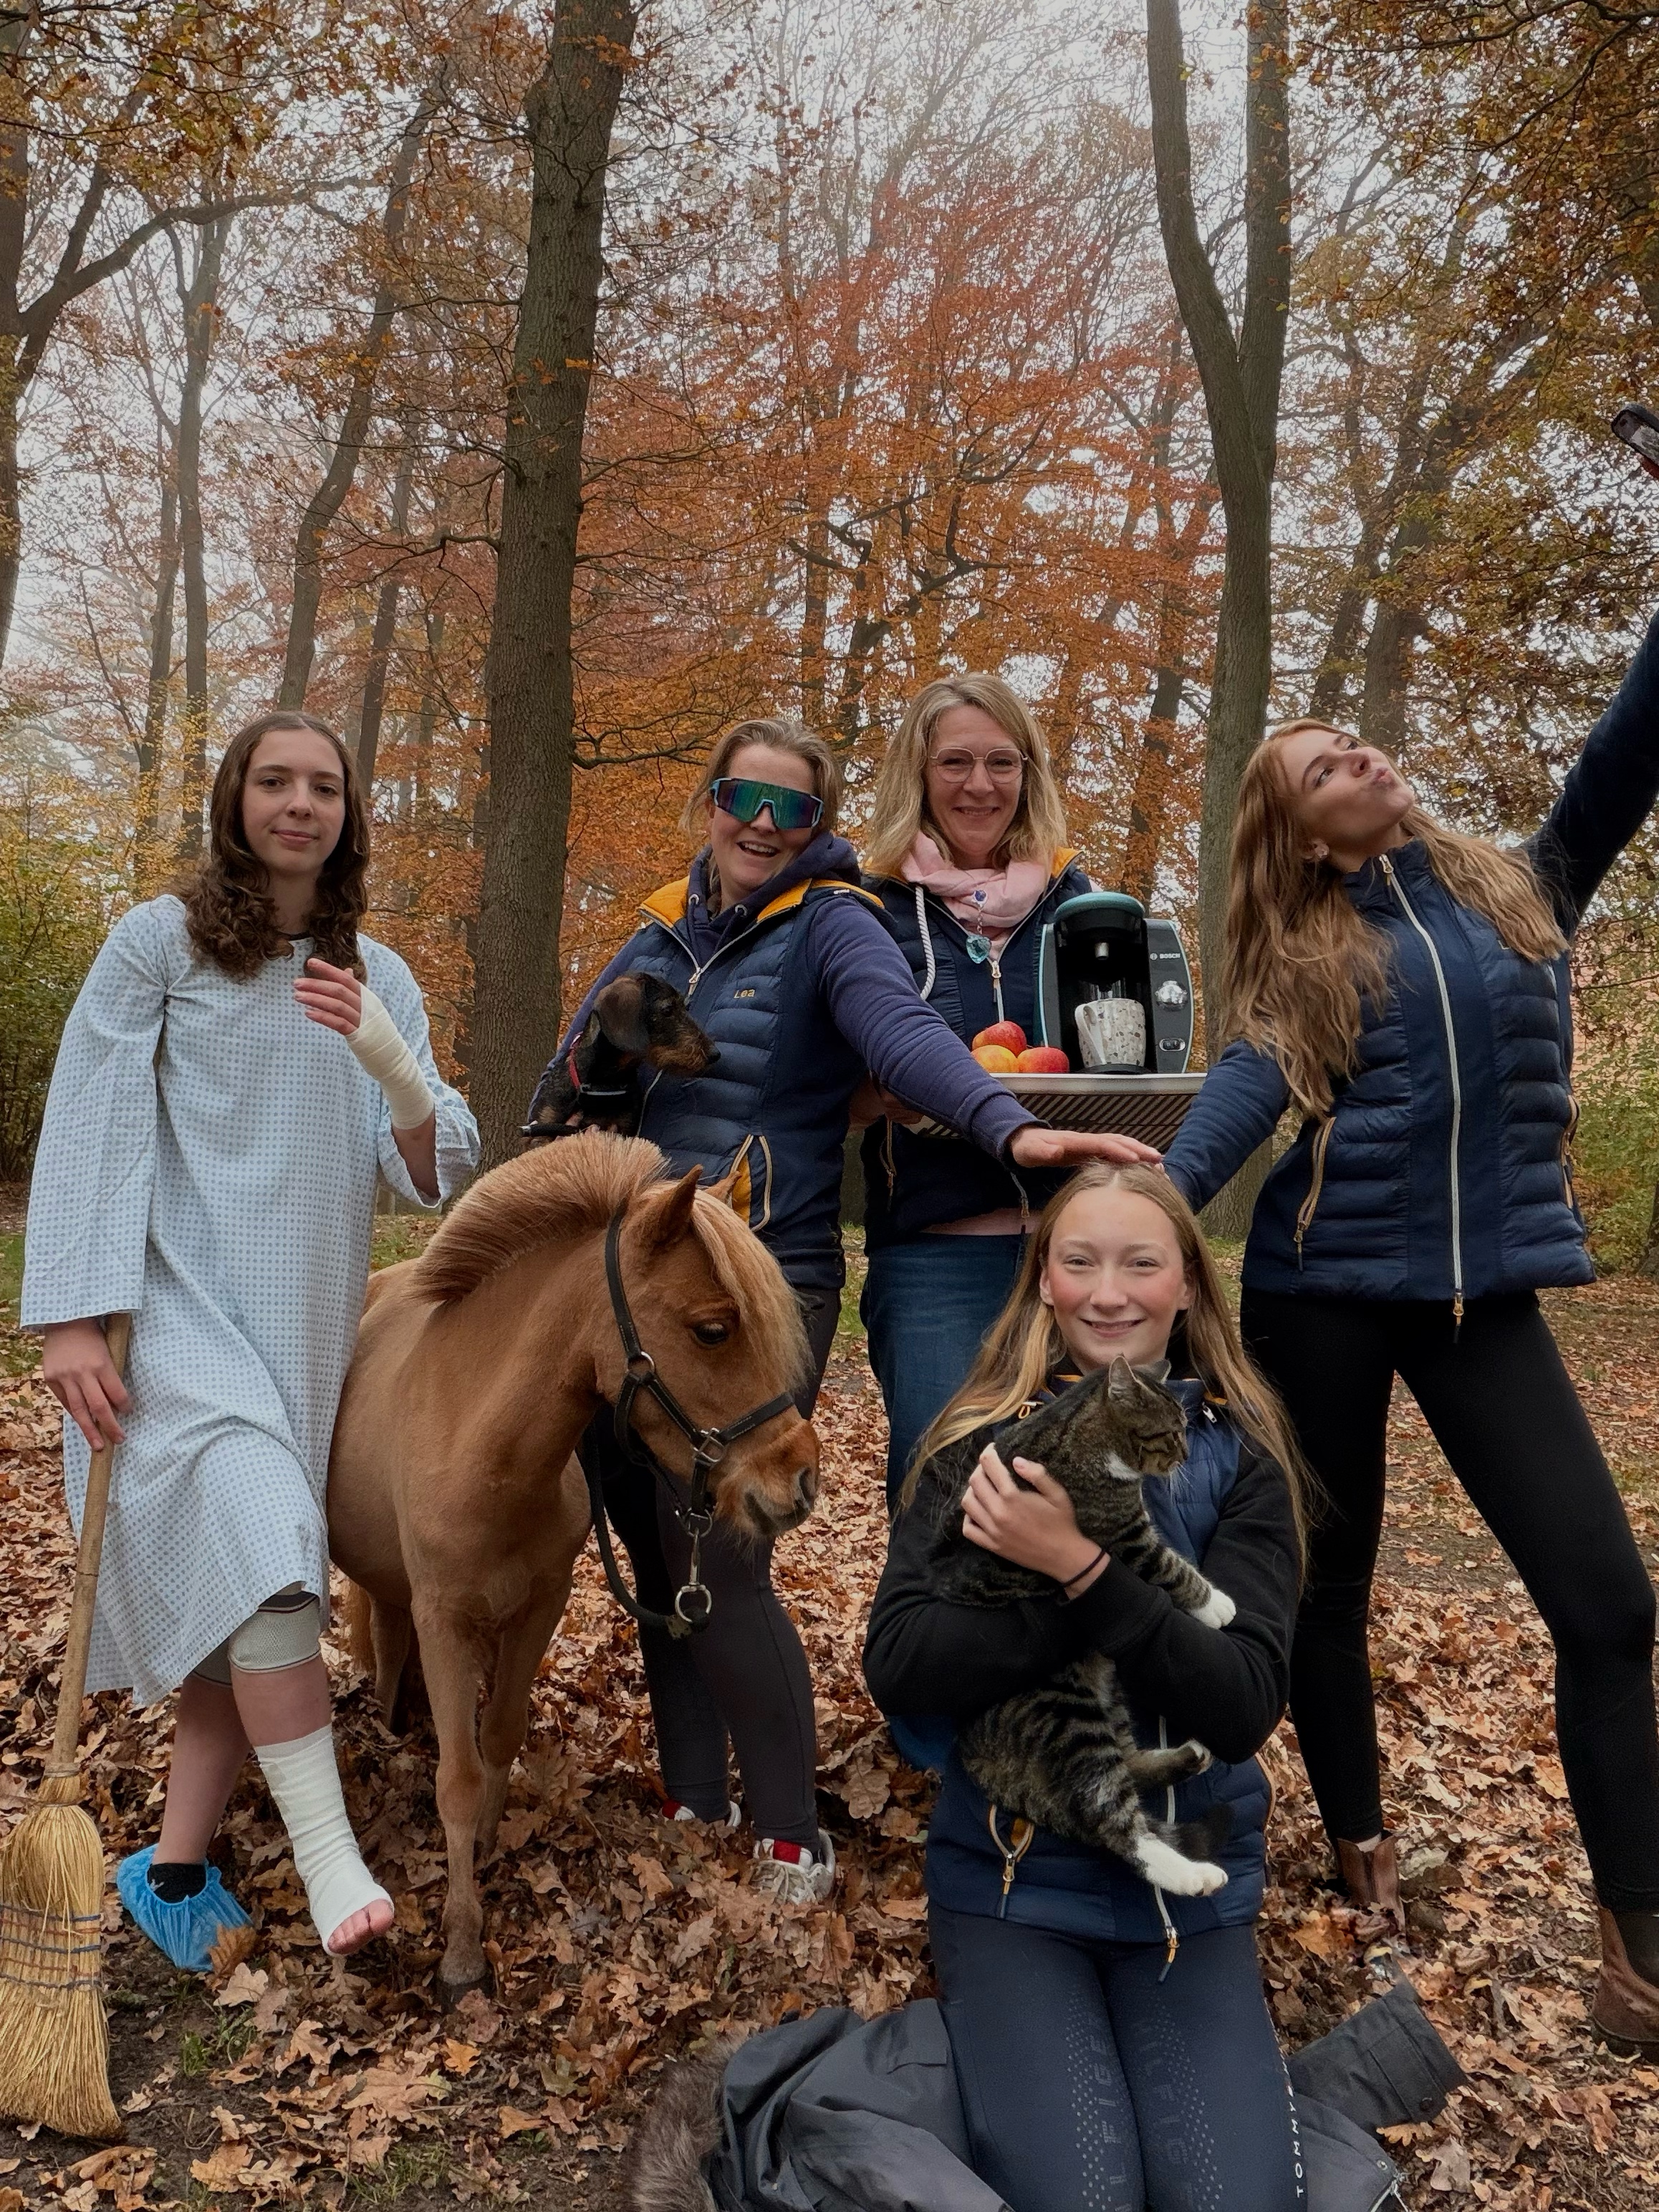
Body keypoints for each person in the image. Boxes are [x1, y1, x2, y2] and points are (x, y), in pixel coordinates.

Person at [528, 716, 1141, 1903]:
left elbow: (903, 1036)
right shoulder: (657, 930)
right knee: (655, 1538)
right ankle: (694, 1791)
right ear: (711, 802)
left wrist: (1005, 1122)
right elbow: (559, 1098)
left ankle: (790, 1829)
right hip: (638, 1294)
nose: (764, 826)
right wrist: (603, 1056)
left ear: (818, 823)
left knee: (720, 1547)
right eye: (744, 799)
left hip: (767, 1280)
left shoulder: (834, 922)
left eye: (792, 809)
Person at [1162, 634, 1659, 2051]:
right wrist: (1143, 1212)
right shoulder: (1305, 953)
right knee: (1330, 1589)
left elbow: (1626, 751)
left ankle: (1639, 1944)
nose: (1361, 756)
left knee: (1610, 1606)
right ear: (1302, 835)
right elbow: (1243, 1095)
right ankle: (1361, 1839)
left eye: (1356, 744)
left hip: (1483, 1303)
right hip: (1320, 1295)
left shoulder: (1522, 885)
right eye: (1325, 765)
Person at [23, 710, 479, 1970]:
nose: (299, 803)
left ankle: (171, 1869)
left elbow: (431, 1173)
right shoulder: (158, 945)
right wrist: (69, 1316)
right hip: (170, 1314)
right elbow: (88, 1124)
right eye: (274, 780)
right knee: (275, 1568)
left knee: (247, 1589)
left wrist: (393, 1065)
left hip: (300, 1329)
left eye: (323, 785)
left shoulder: (378, 977)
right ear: (235, 799)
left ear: (349, 814)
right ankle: (334, 1866)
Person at [863, 1163, 1310, 2212]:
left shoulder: (1242, 1459)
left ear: (1187, 1284)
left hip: (1187, 1894)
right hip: (1014, 1888)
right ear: (1044, 1282)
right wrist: (1062, 1590)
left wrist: (1080, 1565)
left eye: (1140, 1264)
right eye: (1081, 1262)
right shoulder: (977, 1447)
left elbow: (1242, 1704)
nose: (1110, 1293)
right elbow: (902, 1664)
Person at [857, 674, 1151, 1514]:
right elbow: (826, 1090)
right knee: (942, 1500)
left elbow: (1123, 1061)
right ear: (917, 772)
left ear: (1029, 772)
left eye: (1001, 762)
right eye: (955, 761)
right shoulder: (869, 909)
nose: (979, 785)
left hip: (1078, 1250)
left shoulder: (1083, 905)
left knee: (1090, 1503)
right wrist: (887, 1096)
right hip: (935, 1258)